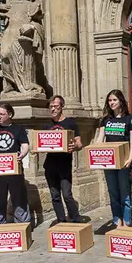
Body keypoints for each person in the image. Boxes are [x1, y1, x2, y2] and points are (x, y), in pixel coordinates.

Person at [95, 90, 132, 227]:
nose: (112, 103)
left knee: (124, 193)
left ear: (121, 101)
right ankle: (117, 220)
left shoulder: (130, 119)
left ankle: (127, 221)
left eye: (114, 100)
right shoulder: (105, 120)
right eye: (109, 100)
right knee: (113, 192)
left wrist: (130, 159)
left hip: (124, 162)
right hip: (109, 162)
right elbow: (100, 140)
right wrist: (95, 154)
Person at [43, 95, 83, 223]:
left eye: (56, 106)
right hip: (50, 164)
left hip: (64, 164)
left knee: (67, 195)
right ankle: (61, 221)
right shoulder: (46, 125)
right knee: (55, 196)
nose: (53, 109)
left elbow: (79, 144)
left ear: (62, 107)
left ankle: (76, 219)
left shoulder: (70, 123)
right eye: (51, 106)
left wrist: (74, 146)